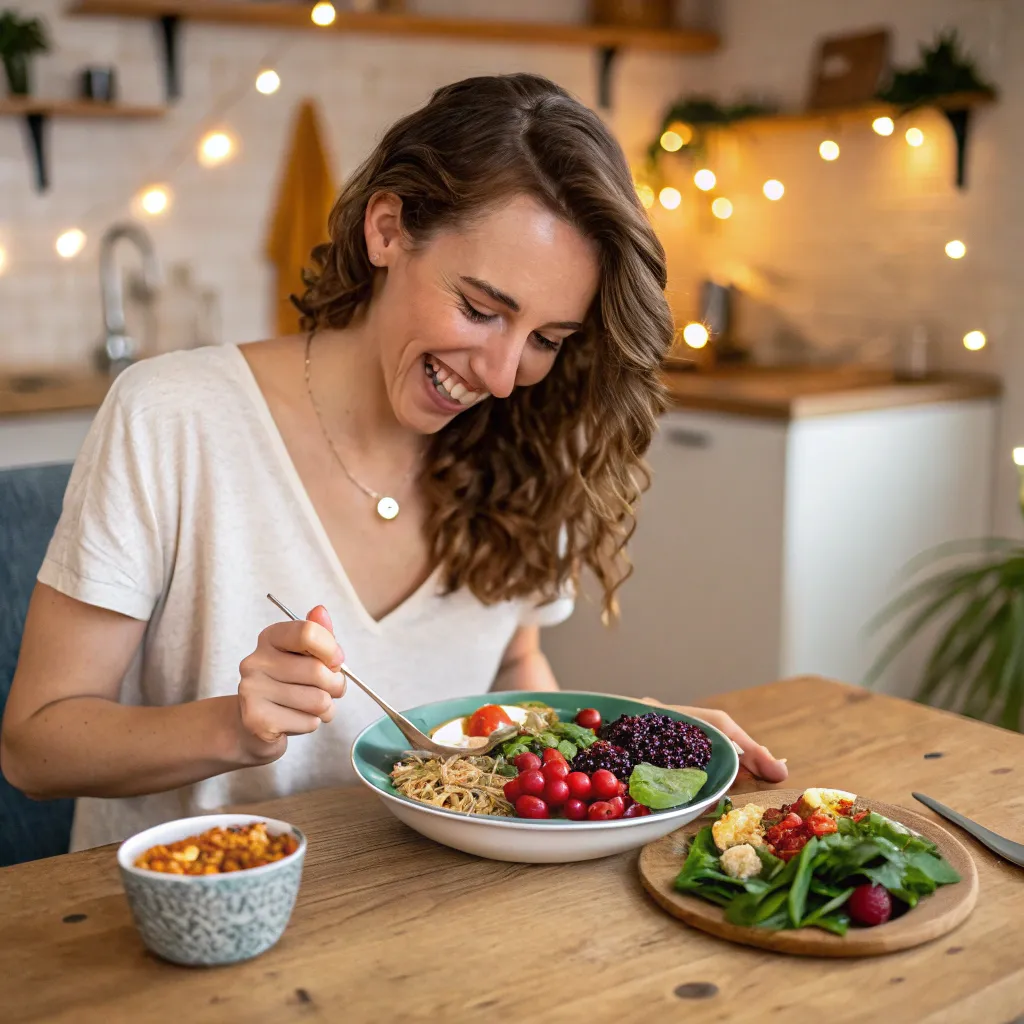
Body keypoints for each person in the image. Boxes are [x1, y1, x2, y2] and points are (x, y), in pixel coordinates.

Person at [1, 74, 786, 852]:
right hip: (182, 920)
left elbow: (513, 666)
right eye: (481, 309)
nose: (504, 375)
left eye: (548, 339)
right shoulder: (170, 416)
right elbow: (35, 748)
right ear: (387, 229)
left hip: (413, 908)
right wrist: (233, 727)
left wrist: (621, 746)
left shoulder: (533, 444)